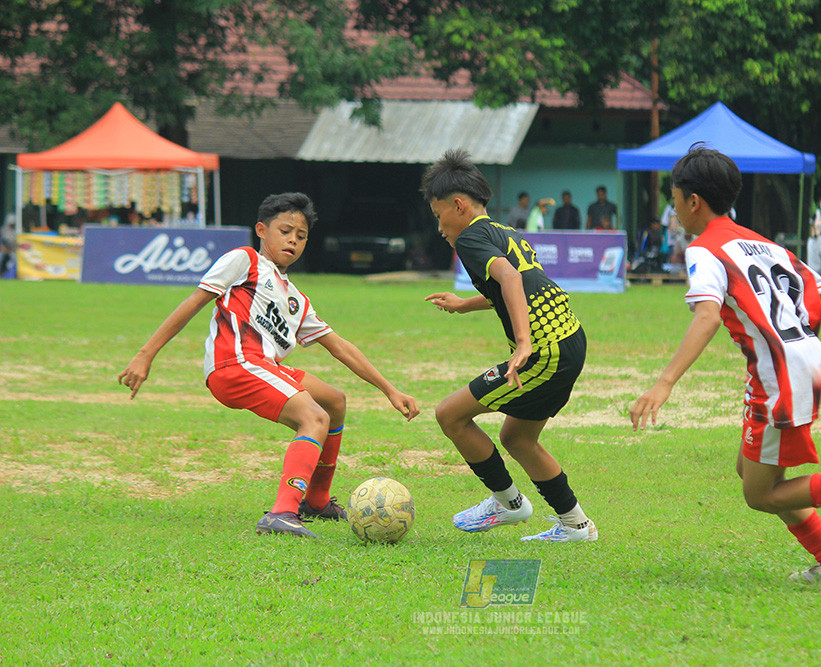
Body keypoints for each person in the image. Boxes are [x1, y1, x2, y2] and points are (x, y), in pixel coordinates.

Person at [629, 145, 821, 586]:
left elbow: (707, 315)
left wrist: (664, 383)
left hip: (778, 373)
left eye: (673, 202)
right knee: (749, 470)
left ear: (693, 202)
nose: (673, 213)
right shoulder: (763, 242)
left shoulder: (704, 250)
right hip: (798, 361)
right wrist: (794, 343)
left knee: (760, 493)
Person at [118, 192, 419, 539]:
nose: (293, 239)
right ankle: (282, 512)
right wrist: (146, 353)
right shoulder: (244, 261)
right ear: (262, 230)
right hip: (234, 364)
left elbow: (340, 348)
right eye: (285, 230)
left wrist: (390, 390)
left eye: (301, 235)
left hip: (264, 365)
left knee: (333, 402)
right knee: (314, 417)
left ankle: (317, 501)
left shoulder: (295, 299)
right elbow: (195, 301)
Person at [421, 149, 597, 543]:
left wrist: (522, 343)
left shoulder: (469, 238)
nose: (439, 228)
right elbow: (518, 281)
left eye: (439, 216)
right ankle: (576, 525)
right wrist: (466, 304)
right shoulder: (504, 231)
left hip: (543, 349)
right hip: (568, 339)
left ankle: (507, 503)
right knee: (518, 439)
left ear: (458, 205)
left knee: (450, 415)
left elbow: (511, 281)